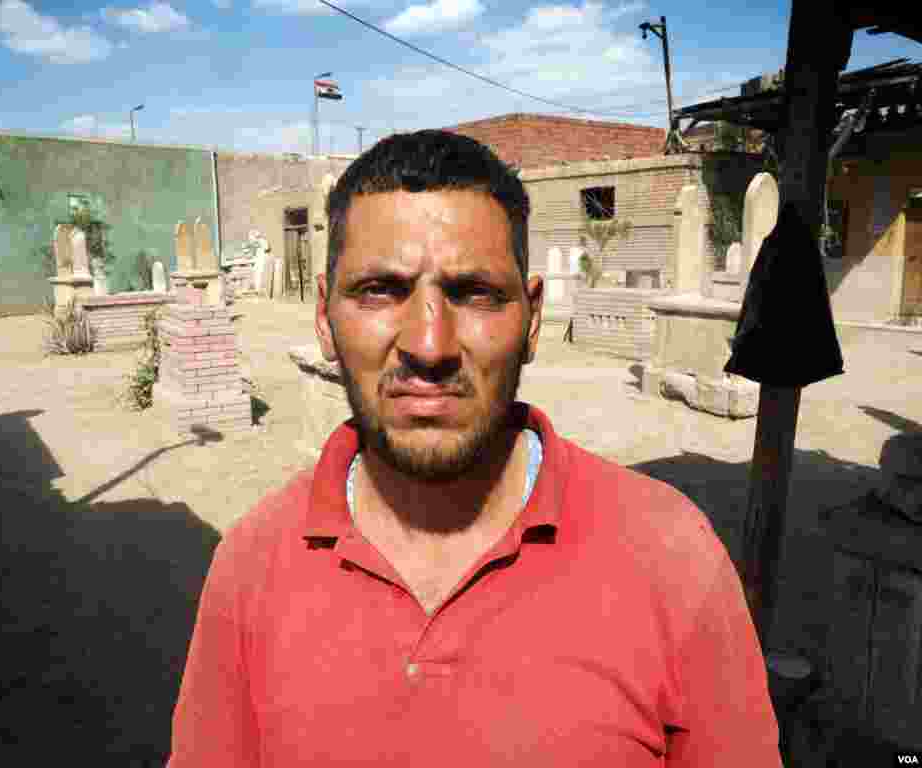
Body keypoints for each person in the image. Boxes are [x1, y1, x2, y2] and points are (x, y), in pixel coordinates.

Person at [167, 130, 782, 766]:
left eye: (474, 293)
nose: (429, 345)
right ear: (325, 319)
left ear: (533, 318)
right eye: (380, 290)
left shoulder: (673, 559)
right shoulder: (250, 568)